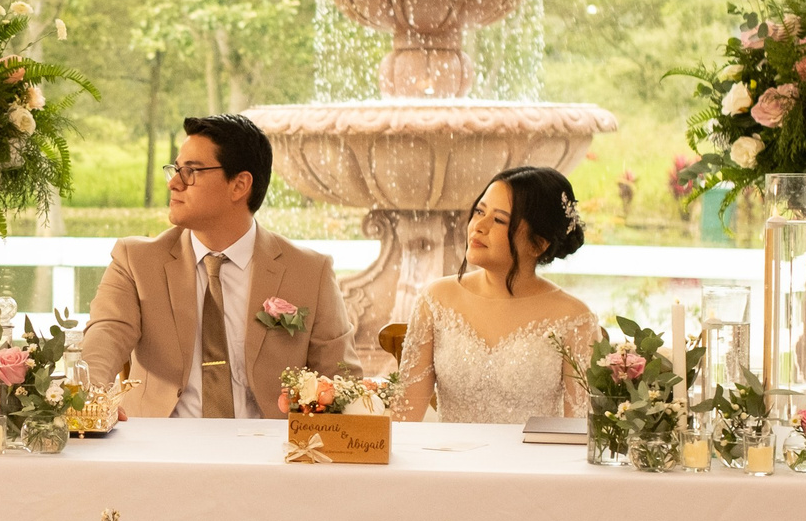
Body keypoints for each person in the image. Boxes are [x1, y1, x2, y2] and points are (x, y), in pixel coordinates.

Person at [80, 113, 354, 420]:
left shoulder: (308, 271)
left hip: (272, 452)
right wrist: (92, 398)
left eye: (191, 171)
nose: (174, 183)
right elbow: (103, 340)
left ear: (239, 185)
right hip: (162, 451)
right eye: (175, 169)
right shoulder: (136, 262)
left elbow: (342, 379)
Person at [392, 165, 599, 424]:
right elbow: (403, 419)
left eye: (499, 220)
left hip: (535, 463)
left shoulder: (574, 317)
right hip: (449, 462)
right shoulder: (436, 300)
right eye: (479, 211)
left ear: (538, 243)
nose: (478, 226)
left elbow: (582, 430)